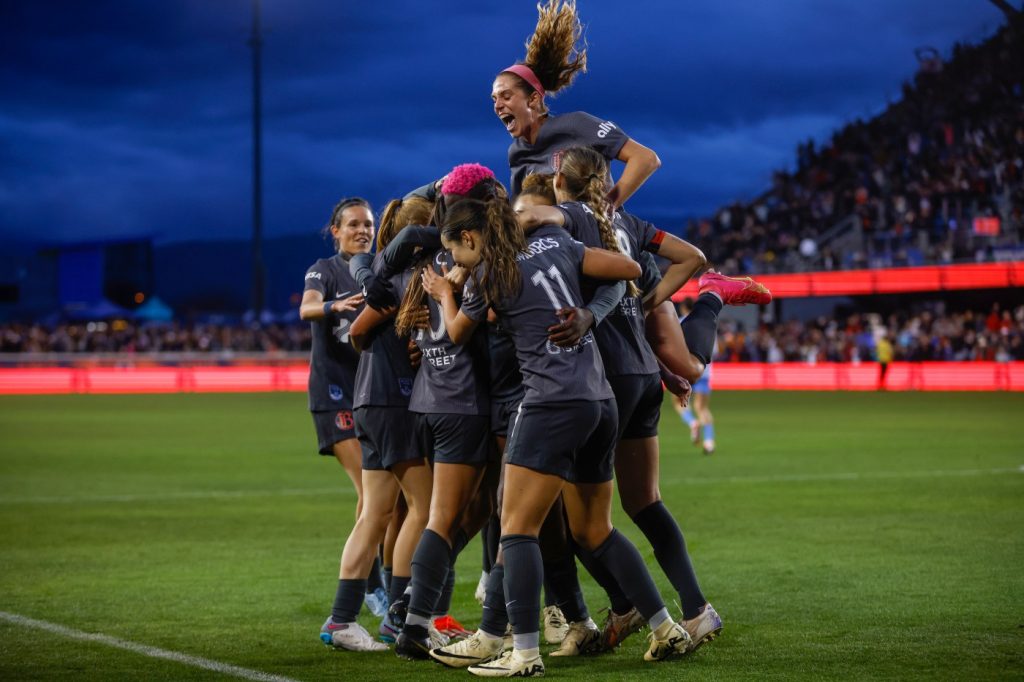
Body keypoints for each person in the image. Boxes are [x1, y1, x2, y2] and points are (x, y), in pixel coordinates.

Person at [422, 193, 693, 677]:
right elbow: (630, 268)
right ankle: (666, 627)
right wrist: (588, 311)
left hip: (549, 403)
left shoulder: (488, 275)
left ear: (469, 238)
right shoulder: (556, 243)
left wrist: (446, 293)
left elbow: (457, 333)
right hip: (600, 402)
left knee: (517, 528)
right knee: (596, 530)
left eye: (458, 252)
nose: (459, 264)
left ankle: (523, 653)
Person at [514, 149, 723, 651]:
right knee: (644, 502)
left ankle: (629, 608)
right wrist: (643, 319)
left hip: (598, 380)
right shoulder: (623, 219)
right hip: (641, 374)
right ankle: (697, 611)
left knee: (576, 521)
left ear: (558, 177)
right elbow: (690, 259)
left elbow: (533, 214)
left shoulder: (570, 219)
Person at [317, 207, 434, 653]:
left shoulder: (390, 273)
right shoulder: (396, 278)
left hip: (373, 401)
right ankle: (399, 615)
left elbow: (362, 335)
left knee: (376, 514)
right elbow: (357, 332)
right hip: (389, 401)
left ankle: (341, 619)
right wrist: (403, 329)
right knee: (424, 507)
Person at [299, 198, 389, 624]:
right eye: (353, 224)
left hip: (371, 393)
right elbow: (307, 306)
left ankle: (380, 582)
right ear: (334, 230)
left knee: (381, 498)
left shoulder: (376, 272)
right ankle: (372, 588)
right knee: (369, 493)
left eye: (368, 224)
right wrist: (333, 306)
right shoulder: (325, 269)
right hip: (334, 395)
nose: (362, 230)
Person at [493, 0, 660, 206]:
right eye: (495, 99)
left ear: (534, 99)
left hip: (601, 236)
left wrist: (608, 206)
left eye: (506, 96)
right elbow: (521, 211)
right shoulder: (517, 152)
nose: (497, 105)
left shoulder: (576, 124)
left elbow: (645, 158)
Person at [675, 297, 716, 454]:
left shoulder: (678, 323)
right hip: (704, 372)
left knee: (679, 403)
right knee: (702, 408)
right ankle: (709, 442)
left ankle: (692, 422)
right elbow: (715, 351)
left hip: (684, 371)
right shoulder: (707, 325)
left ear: (684, 308)